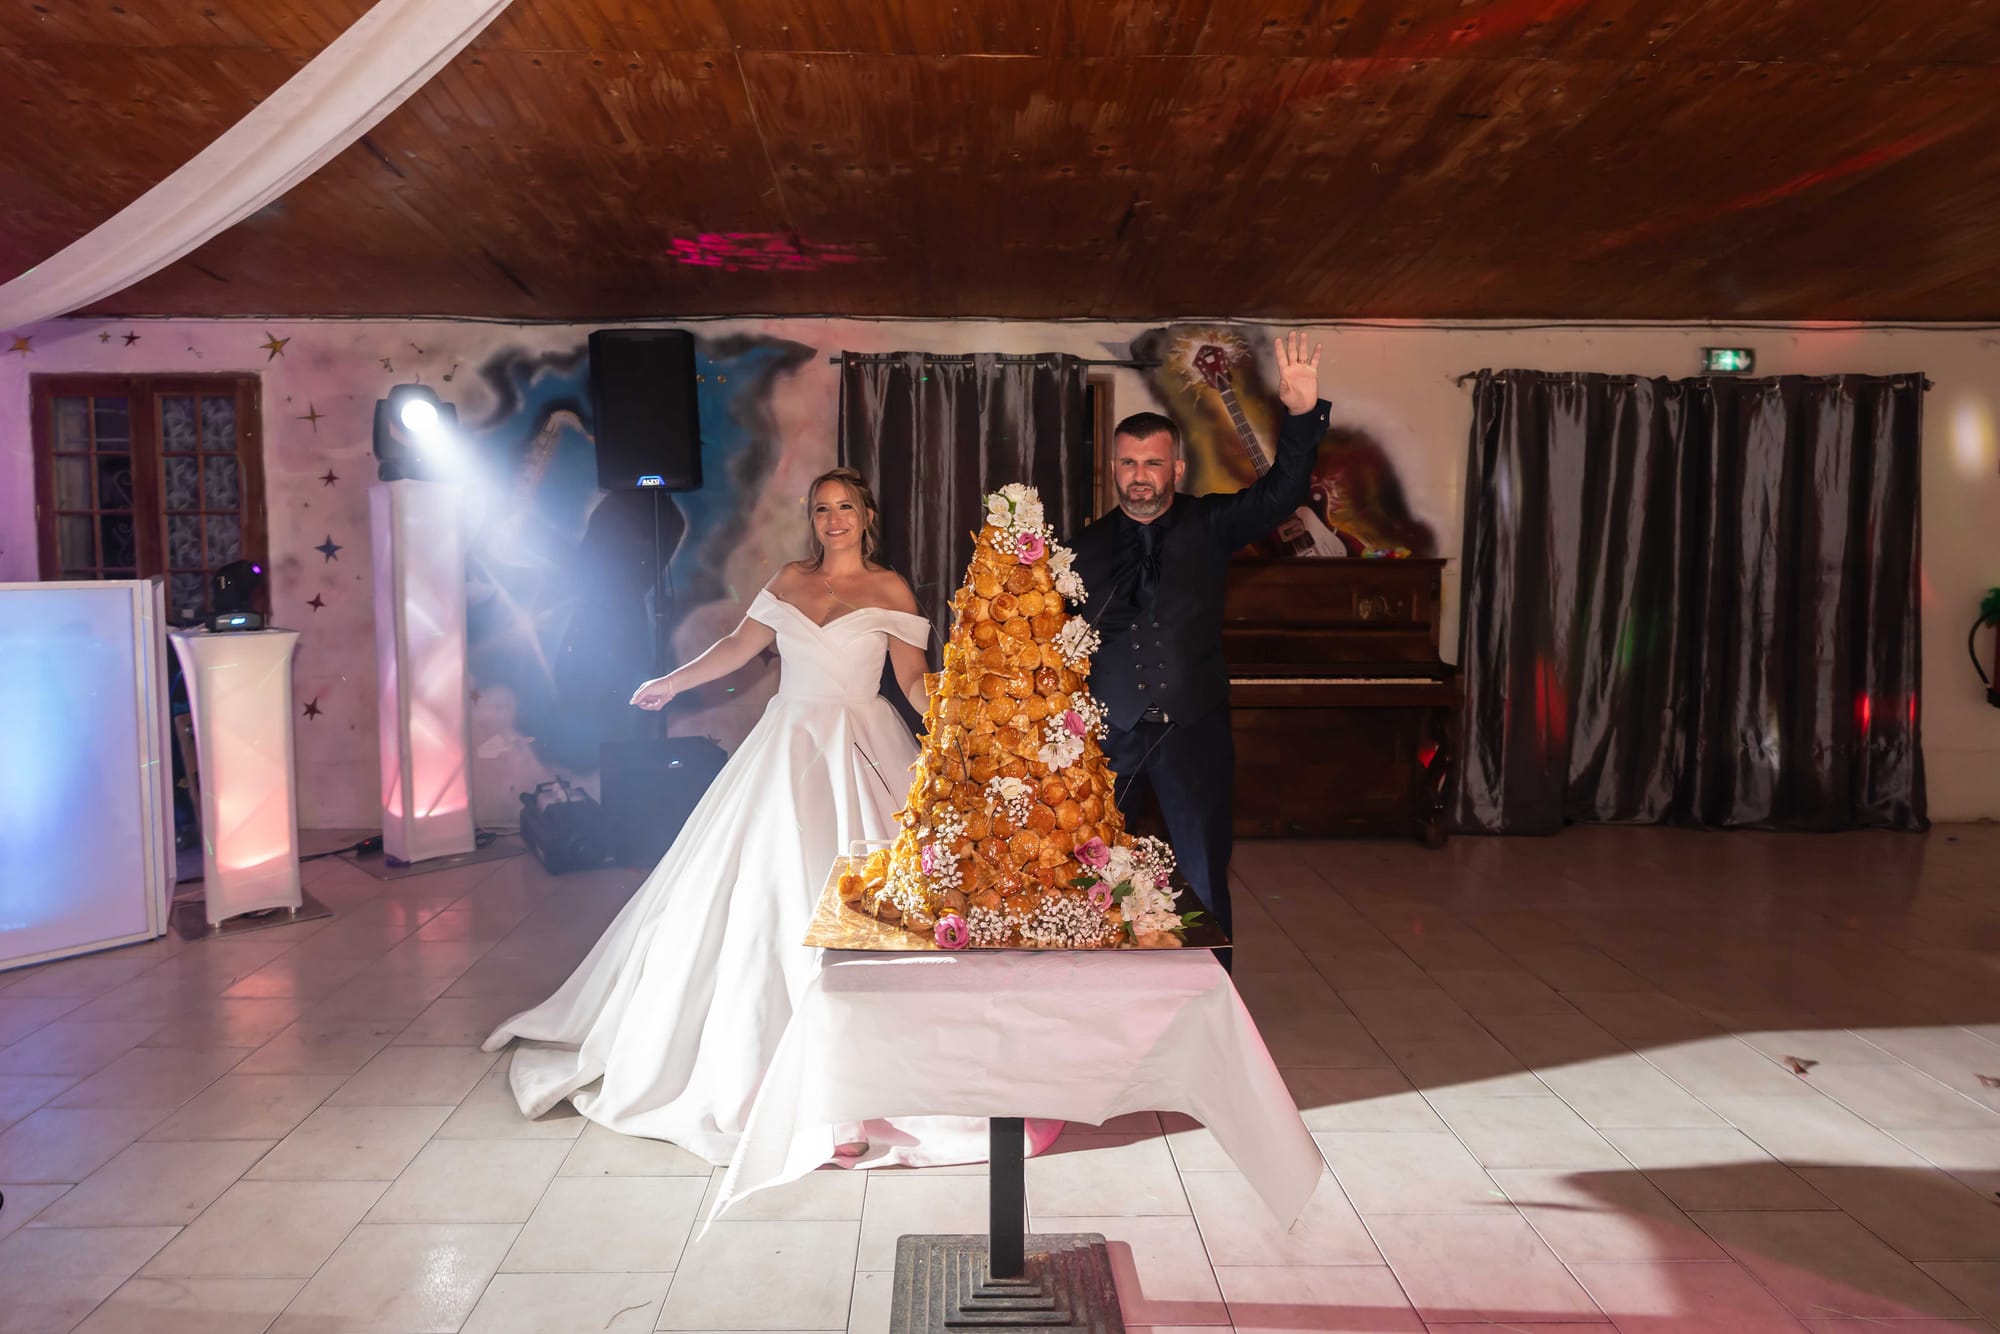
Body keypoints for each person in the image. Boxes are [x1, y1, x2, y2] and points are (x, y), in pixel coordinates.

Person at [485, 467, 973, 1164]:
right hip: (787, 746)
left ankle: (863, 1073)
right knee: (766, 889)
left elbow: (914, 681)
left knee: (873, 898)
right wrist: (670, 682)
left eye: (845, 507)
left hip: (862, 747)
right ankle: (757, 1056)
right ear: (812, 519)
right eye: (821, 509)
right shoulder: (790, 579)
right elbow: (739, 647)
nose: (833, 519)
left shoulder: (890, 589)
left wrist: (957, 730)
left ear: (868, 515)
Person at [1069, 331, 1329, 967]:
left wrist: (1300, 416)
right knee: (1089, 878)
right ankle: (1095, 989)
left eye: (1153, 463)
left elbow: (1282, 492)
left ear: (1177, 470)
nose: (1140, 476)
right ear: (1113, 469)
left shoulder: (1211, 524)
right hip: (1110, 738)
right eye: (1128, 463)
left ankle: (1215, 998)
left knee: (1206, 874)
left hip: (1195, 733)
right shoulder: (1079, 550)